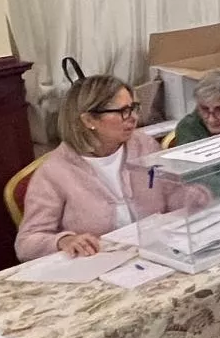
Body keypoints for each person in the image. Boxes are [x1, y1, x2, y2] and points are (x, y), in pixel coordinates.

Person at [15, 75, 189, 261]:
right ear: (89, 120)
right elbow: (26, 244)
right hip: (98, 265)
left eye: (134, 108)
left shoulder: (144, 145)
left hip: (158, 253)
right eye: (123, 111)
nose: (133, 118)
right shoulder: (54, 171)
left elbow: (174, 196)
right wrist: (63, 241)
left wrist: (197, 197)